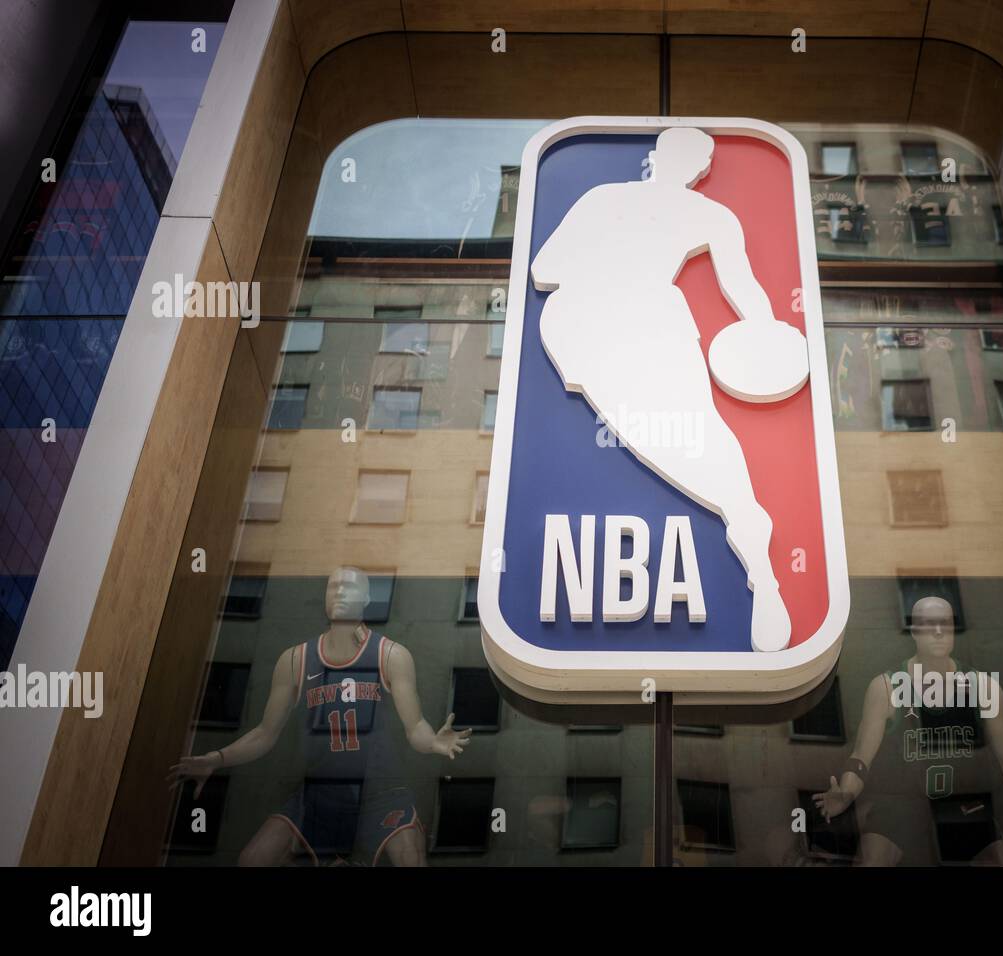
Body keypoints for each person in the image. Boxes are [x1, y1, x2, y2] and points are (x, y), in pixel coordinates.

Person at [530, 126, 791, 652]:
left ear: (659, 158)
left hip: (614, 328)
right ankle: (754, 547)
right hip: (612, 330)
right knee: (694, 443)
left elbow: (548, 266)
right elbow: (543, 269)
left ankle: (758, 561)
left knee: (696, 442)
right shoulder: (698, 214)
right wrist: (764, 331)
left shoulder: (612, 200)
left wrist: (766, 335)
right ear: (696, 169)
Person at [170, 567, 470, 866]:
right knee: (253, 859)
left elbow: (415, 726)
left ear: (367, 597)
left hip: (381, 794)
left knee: (411, 860)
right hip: (319, 795)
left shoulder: (390, 655)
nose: (339, 591)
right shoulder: (296, 659)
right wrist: (217, 758)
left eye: (348, 587)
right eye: (333, 587)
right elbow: (264, 734)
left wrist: (433, 743)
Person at [813, 596, 1003, 865]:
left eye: (946, 624)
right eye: (929, 625)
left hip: (964, 809)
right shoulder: (887, 686)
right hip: (902, 806)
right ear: (913, 632)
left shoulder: (983, 687)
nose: (939, 631)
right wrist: (847, 794)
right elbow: (861, 758)